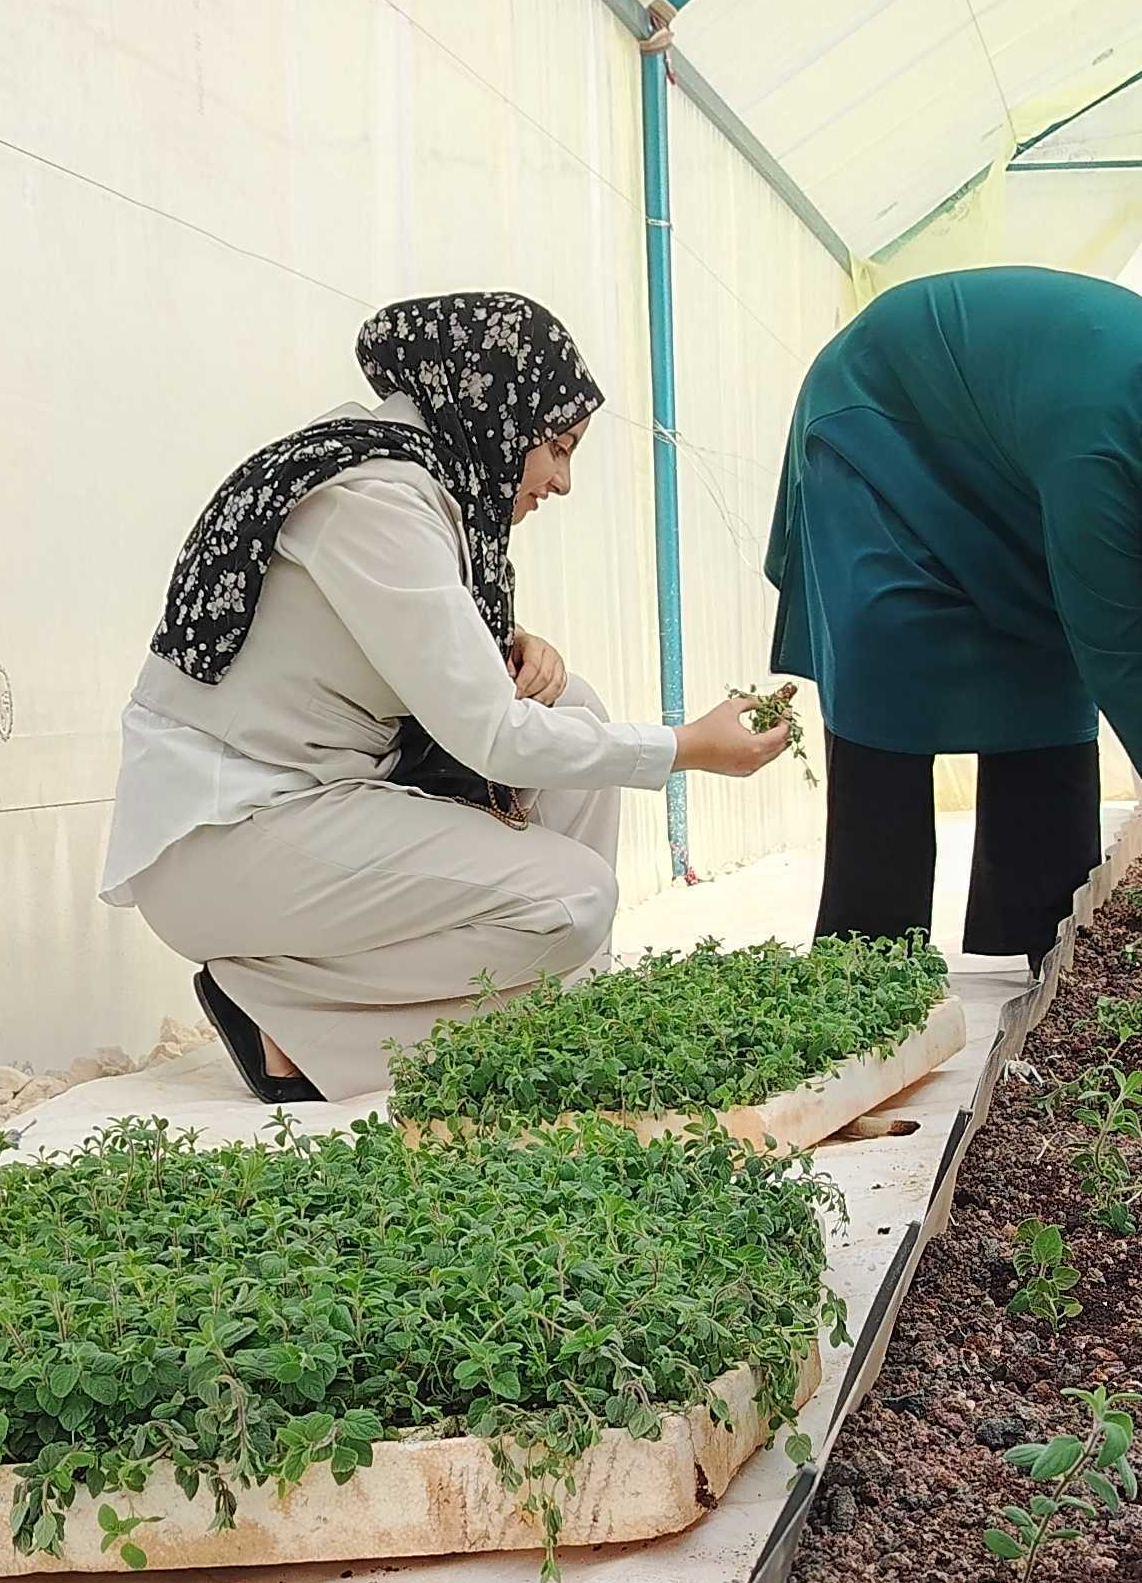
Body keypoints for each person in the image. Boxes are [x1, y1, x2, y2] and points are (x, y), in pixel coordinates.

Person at [100, 293, 794, 1103]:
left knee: (578, 712)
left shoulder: (408, 480)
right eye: (557, 448)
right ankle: (280, 1006)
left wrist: (521, 645)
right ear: (494, 412)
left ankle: (563, 1012)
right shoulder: (374, 496)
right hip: (232, 835)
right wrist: (685, 748)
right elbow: (491, 736)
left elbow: (417, 644)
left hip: (309, 810)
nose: (560, 482)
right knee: (576, 899)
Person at [767, 268, 1142, 965]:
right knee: (889, 668)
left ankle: (1044, 933)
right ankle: (871, 959)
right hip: (888, 419)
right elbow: (1116, 646)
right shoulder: (1101, 436)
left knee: (1043, 661)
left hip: (1007, 453)